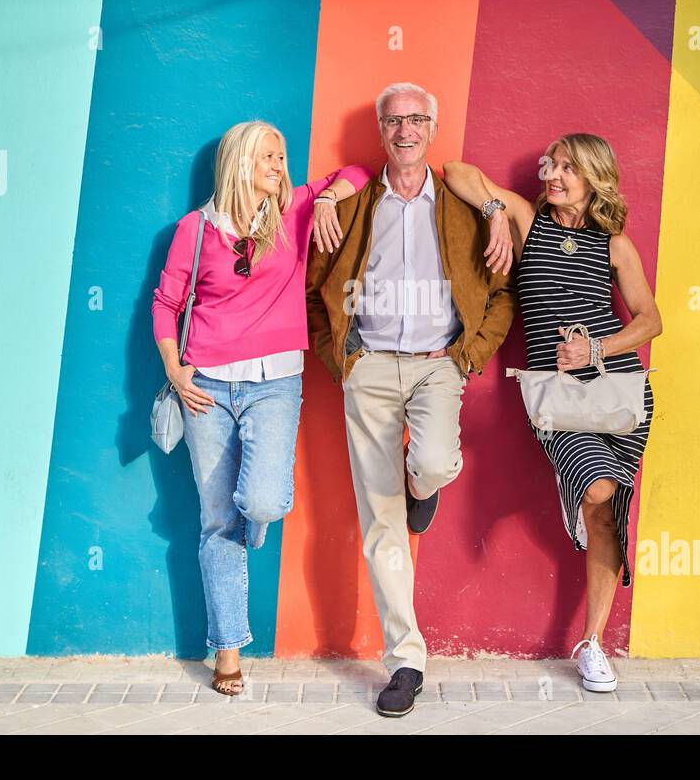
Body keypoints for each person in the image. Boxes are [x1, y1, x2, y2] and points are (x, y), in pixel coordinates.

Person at [306, 82, 516, 717]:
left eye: (418, 119)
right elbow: (315, 289)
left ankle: (423, 489)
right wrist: (339, 358)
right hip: (367, 369)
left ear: (433, 127)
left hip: (436, 367)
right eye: (394, 120)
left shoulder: (462, 201)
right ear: (380, 129)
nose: (405, 130)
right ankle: (406, 658)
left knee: (431, 464)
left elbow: (503, 293)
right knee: (381, 524)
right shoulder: (349, 204)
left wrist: (468, 355)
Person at [152, 119, 369, 696]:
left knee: (263, 502)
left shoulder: (296, 209)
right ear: (239, 162)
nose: (279, 165)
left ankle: (252, 524)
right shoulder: (195, 230)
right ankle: (227, 652)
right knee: (216, 521)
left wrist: (326, 199)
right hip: (206, 390)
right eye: (268, 156)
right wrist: (175, 370)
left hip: (276, 385)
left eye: (282, 156)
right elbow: (166, 302)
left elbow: (358, 173)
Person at [442, 133, 662, 693]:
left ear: (594, 180)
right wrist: (494, 211)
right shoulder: (527, 220)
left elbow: (649, 319)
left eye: (569, 169)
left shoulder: (615, 246)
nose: (554, 175)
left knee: (609, 508)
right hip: (557, 404)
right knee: (598, 490)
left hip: (619, 395)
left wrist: (596, 350)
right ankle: (582, 499)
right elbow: (454, 171)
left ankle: (592, 645)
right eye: (553, 165)